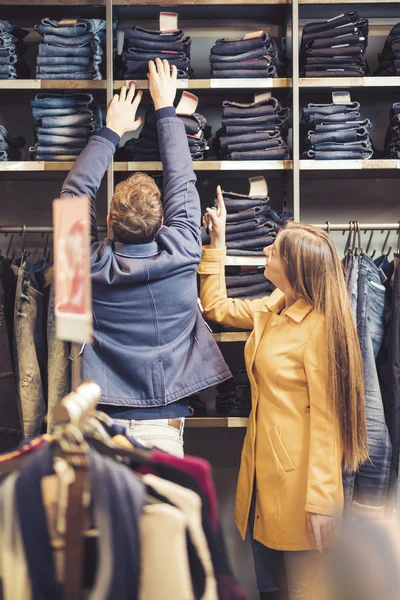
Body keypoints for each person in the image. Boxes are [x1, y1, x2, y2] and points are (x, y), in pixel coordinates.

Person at [199, 188, 368, 599]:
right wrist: (217, 241)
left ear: (294, 268)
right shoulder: (273, 308)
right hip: (263, 482)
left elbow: (329, 422)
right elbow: (216, 307)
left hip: (302, 495)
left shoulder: (320, 328)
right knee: (270, 590)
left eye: (273, 250)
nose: (265, 250)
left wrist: (324, 504)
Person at [60, 59, 231, 457]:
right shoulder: (186, 247)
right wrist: (165, 108)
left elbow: (73, 194)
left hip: (101, 427)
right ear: (163, 221)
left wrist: (111, 130)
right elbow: (182, 180)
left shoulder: (83, 265)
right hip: (164, 427)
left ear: (107, 221)